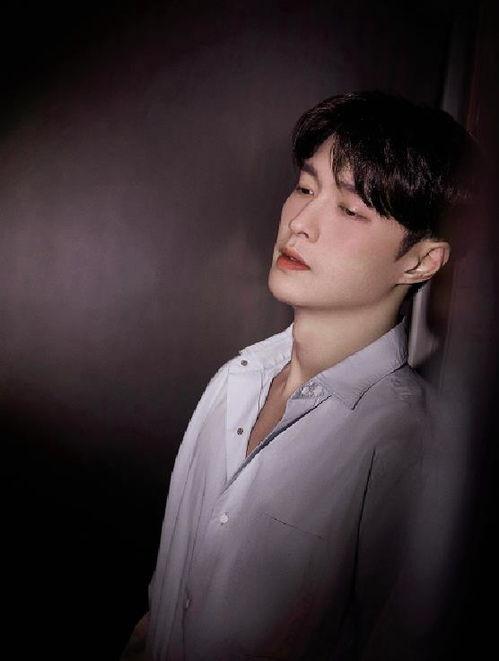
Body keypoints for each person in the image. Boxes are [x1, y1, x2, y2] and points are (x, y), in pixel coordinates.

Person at [121, 90, 477, 660]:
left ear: (420, 261)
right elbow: (171, 599)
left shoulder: (411, 445)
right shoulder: (237, 380)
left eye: (351, 210)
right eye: (306, 189)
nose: (301, 224)